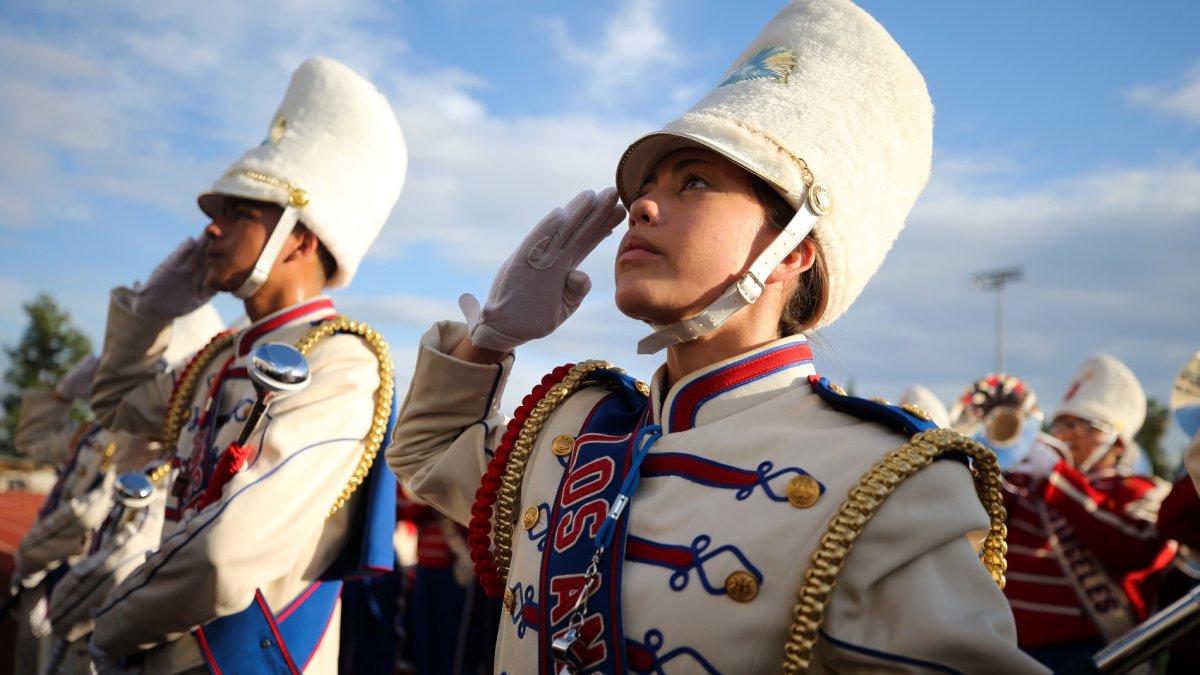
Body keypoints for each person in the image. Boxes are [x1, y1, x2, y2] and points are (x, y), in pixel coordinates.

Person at [387, 1, 1045, 672]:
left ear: (793, 252)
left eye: (694, 182)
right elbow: (425, 448)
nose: (642, 204)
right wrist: (491, 339)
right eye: (647, 185)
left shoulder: (887, 482)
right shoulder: (576, 424)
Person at [86, 56, 406, 674]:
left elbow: (225, 556)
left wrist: (116, 621)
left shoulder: (341, 359)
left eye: (239, 213)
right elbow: (116, 412)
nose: (211, 228)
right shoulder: (215, 358)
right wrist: (149, 316)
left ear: (300, 240)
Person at [996, 355, 1173, 669]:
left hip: (1091, 654)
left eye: (1082, 427)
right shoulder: (1030, 484)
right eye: (1062, 423)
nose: (1065, 434)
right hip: (1010, 648)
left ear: (1117, 444)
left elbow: (1138, 547)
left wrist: (1056, 477)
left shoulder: (1141, 491)